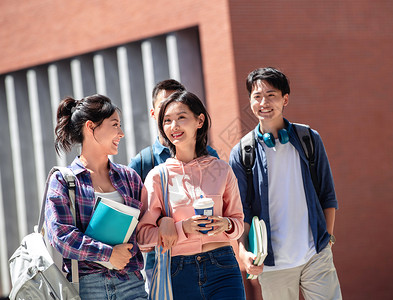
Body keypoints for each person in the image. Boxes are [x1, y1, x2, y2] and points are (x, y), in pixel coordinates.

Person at [229, 67, 342, 300]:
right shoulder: (242, 153)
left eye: (271, 95)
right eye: (257, 96)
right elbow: (242, 213)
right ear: (250, 100)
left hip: (315, 256)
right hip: (272, 266)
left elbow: (327, 195)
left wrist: (327, 240)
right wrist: (243, 253)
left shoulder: (309, 139)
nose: (264, 102)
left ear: (285, 99)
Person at [137, 91, 246, 299]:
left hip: (223, 266)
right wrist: (181, 228)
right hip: (179, 270)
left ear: (200, 120)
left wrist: (227, 225)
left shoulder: (222, 169)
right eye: (167, 121)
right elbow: (142, 238)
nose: (174, 126)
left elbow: (238, 222)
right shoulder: (157, 177)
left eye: (181, 117)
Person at [45, 94, 148, 299]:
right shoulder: (63, 181)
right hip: (87, 288)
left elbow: (145, 229)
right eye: (115, 124)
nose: (121, 133)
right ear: (91, 127)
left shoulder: (129, 178)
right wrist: (108, 254)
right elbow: (61, 236)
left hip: (131, 284)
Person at [128, 79, 220, 288]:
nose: (171, 118)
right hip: (161, 265)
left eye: (178, 109)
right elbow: (134, 224)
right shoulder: (142, 163)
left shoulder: (211, 158)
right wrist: (161, 220)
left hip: (208, 260)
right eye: (164, 109)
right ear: (154, 114)